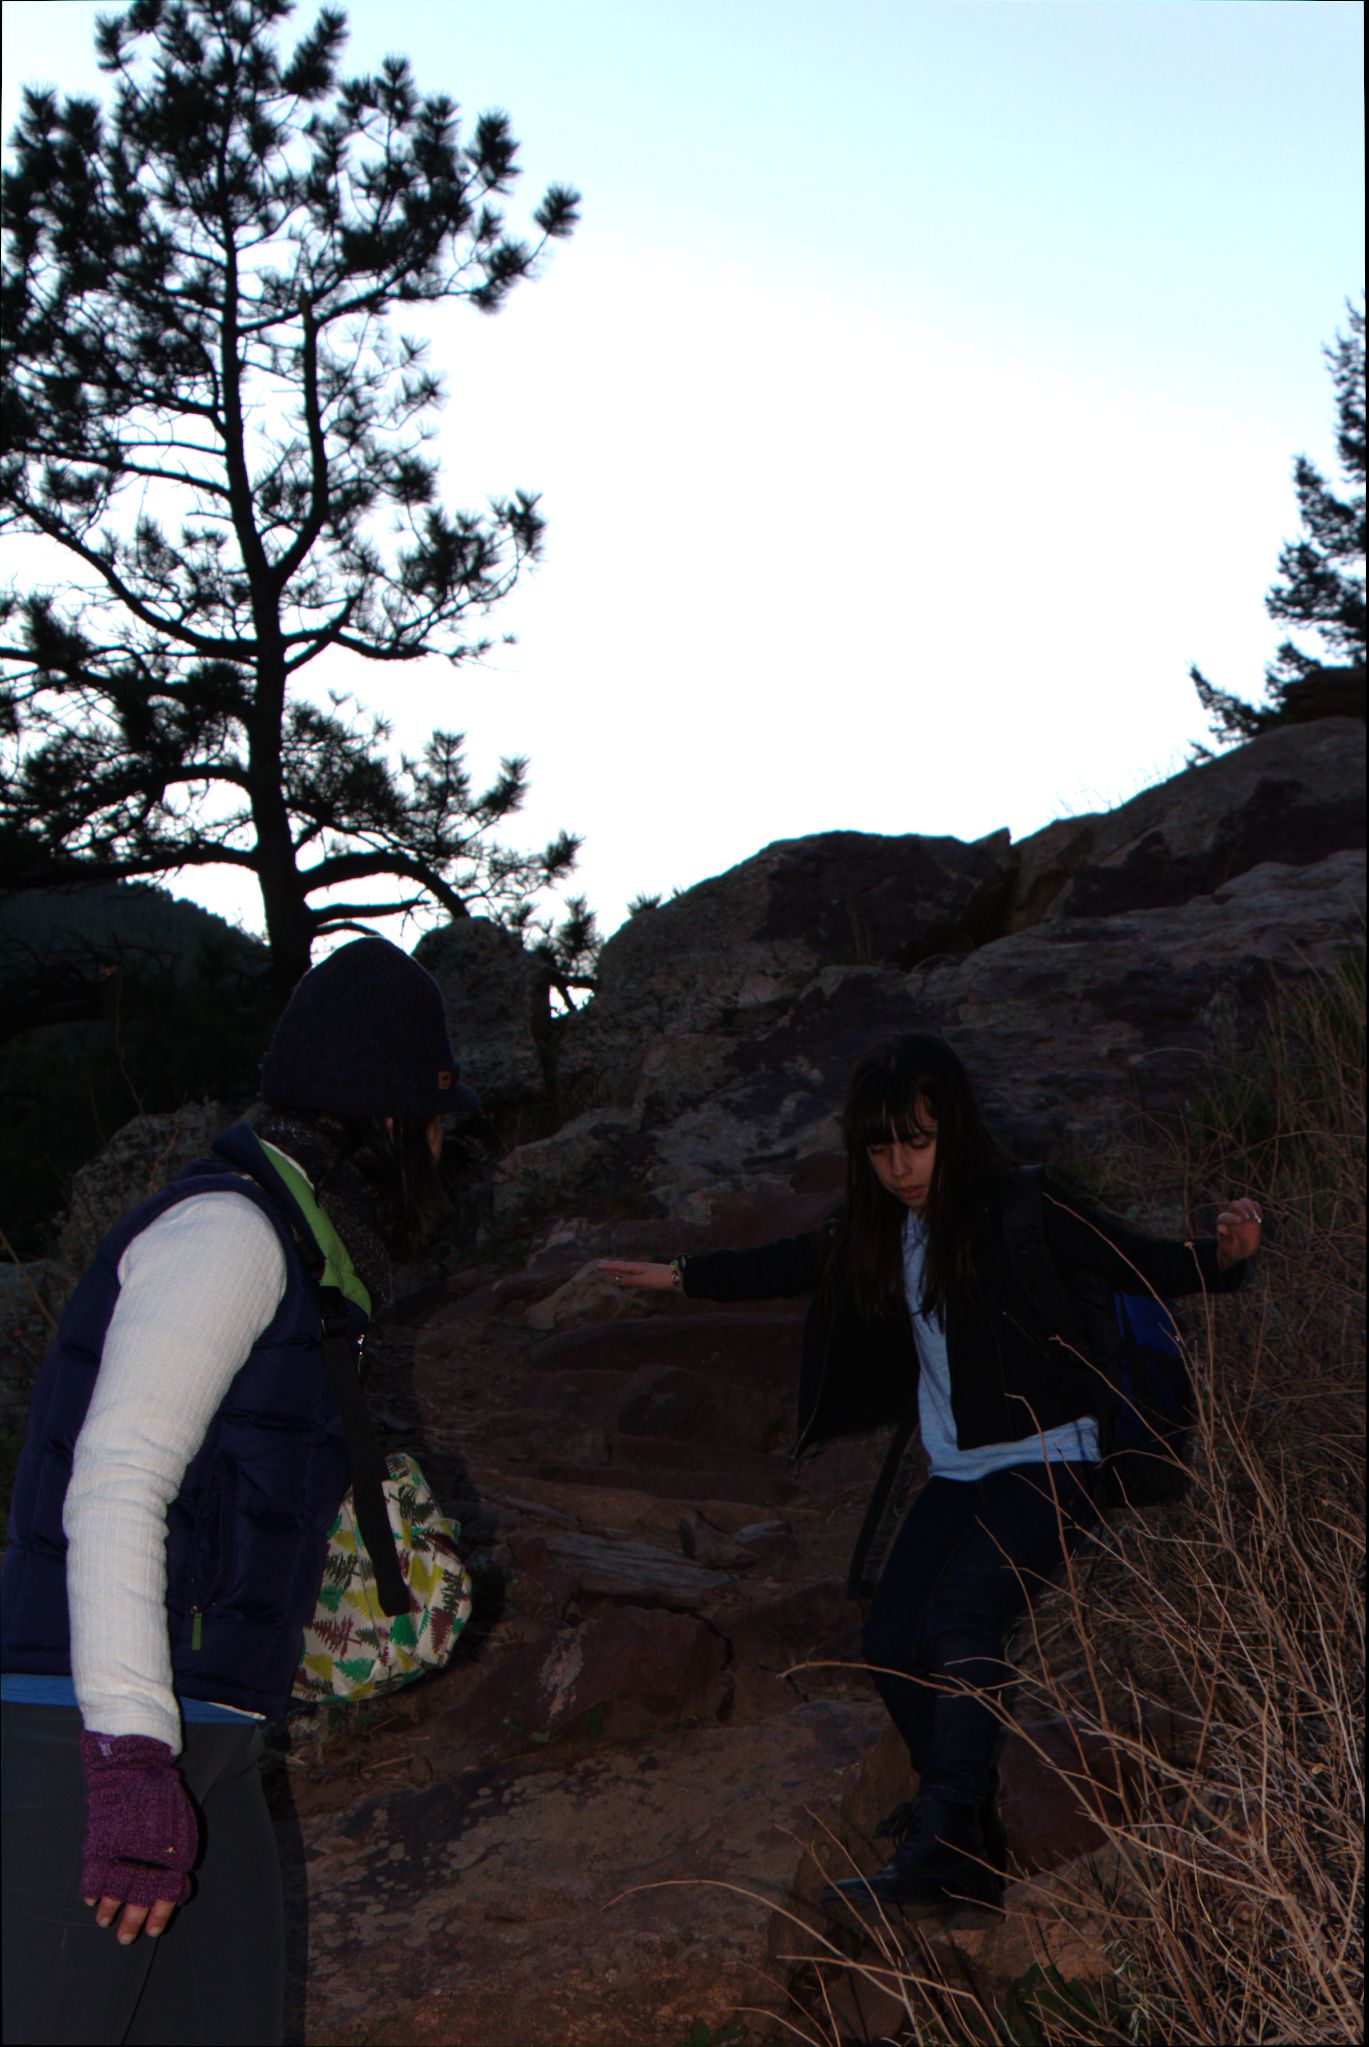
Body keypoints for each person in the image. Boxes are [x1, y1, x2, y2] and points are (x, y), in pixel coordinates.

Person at [599, 1032, 1262, 1918]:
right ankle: (963, 1845)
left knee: (960, 1619)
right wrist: (677, 1276)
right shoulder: (883, 1231)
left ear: (952, 1127)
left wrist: (1224, 1253)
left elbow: (1140, 1260)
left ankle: (942, 1839)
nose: (900, 1166)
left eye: (916, 1141)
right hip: (956, 1473)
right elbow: (788, 1262)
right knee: (888, 1639)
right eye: (880, 1149)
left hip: (1051, 1455)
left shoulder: (1023, 1205)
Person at [1, 936, 475, 2047]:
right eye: (442, 1125)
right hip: (88, 1739)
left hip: (206, 1736)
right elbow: (114, 1484)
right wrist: (125, 1760)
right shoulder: (231, 1234)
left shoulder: (307, 1253)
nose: (448, 1151)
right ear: (394, 1122)